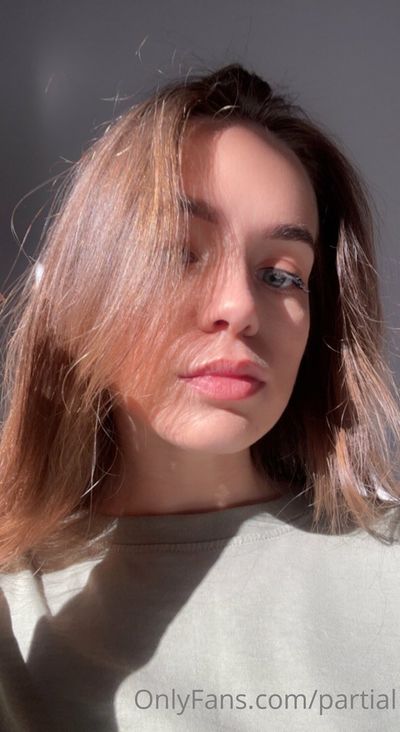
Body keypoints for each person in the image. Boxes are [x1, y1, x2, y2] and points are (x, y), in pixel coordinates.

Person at [1, 62, 400, 731]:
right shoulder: (15, 606)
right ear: (82, 287)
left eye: (282, 274)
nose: (239, 306)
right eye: (180, 252)